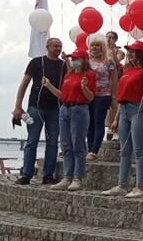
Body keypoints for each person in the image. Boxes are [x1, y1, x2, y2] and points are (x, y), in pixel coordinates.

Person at [101, 41, 143, 198]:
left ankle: (140, 186)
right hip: (124, 110)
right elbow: (121, 97)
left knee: (138, 149)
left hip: (138, 109)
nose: (130, 54)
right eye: (129, 51)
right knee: (124, 150)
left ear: (141, 54)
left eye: (133, 51)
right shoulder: (127, 70)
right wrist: (116, 118)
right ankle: (121, 185)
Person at [12, 37, 66, 185]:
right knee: (32, 141)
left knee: (53, 142)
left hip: (55, 109)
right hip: (36, 107)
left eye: (60, 46)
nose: (58, 49)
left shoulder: (63, 65)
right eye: (55, 46)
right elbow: (24, 84)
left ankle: (48, 175)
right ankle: (26, 175)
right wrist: (18, 105)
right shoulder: (36, 62)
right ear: (47, 47)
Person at [40, 49, 95, 191]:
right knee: (66, 145)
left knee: (78, 144)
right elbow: (62, 95)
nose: (74, 61)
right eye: (73, 58)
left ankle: (77, 178)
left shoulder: (89, 75)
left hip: (80, 109)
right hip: (65, 108)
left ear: (83, 60)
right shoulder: (69, 75)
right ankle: (67, 177)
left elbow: (90, 97)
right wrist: (49, 85)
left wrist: (84, 88)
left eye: (77, 58)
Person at [86, 34, 118, 161]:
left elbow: (114, 78)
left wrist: (114, 95)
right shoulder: (87, 61)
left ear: (102, 47)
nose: (94, 48)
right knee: (90, 123)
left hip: (103, 95)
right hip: (89, 95)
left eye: (97, 46)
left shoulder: (109, 61)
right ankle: (89, 148)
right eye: (92, 45)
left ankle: (95, 150)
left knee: (98, 122)